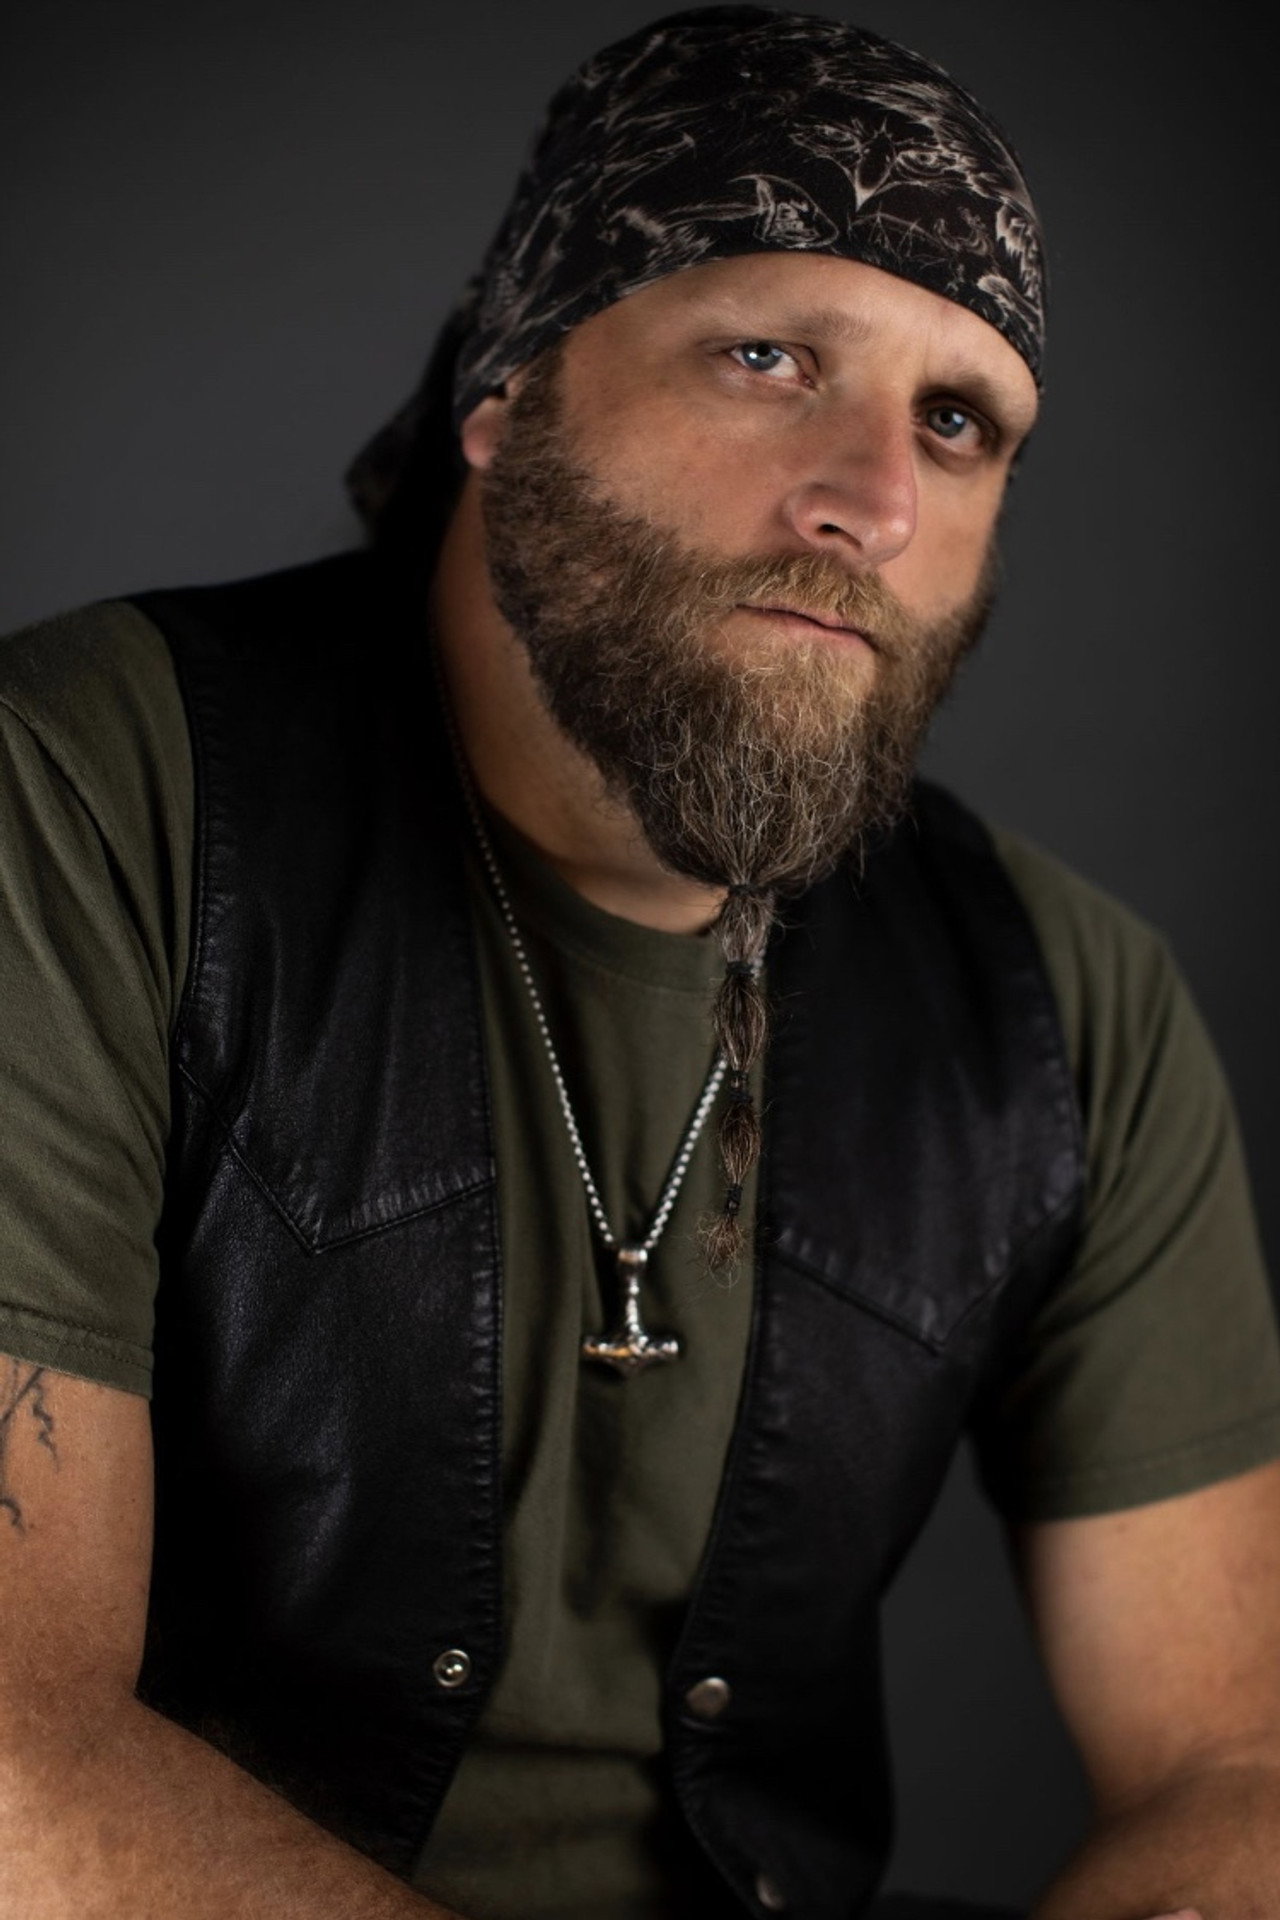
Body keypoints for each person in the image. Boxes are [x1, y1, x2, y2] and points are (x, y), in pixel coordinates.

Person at [0, 7, 1278, 1917]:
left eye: (956, 421)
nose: (873, 499)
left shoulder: (1060, 1007)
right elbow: (16, 1760)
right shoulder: (90, 793)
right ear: (508, 387)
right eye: (768, 357)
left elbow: (1233, 1767)